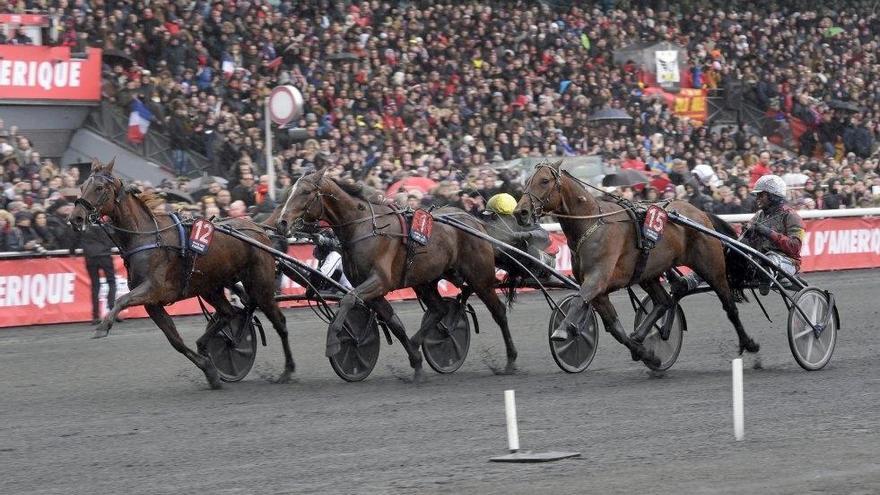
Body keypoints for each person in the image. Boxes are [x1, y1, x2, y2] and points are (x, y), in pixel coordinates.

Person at [672, 175, 804, 296]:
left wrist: (767, 232)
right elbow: (745, 242)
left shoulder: (791, 216)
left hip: (787, 262)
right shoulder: (759, 215)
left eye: (761, 195)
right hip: (759, 261)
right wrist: (746, 234)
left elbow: (795, 247)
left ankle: (766, 274)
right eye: (757, 195)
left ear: (773, 195)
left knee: (769, 258)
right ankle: (688, 282)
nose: (757, 199)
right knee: (721, 255)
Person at [481, 193, 556, 278]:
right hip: (522, 261)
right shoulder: (495, 224)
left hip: (546, 263)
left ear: (503, 215)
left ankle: (533, 274)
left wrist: (521, 235)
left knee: (524, 247)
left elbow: (544, 234)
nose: (491, 219)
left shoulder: (523, 220)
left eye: (494, 216)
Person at [80, 223, 121, 326]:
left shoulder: (83, 225)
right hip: (105, 256)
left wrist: (72, 251)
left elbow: (75, 238)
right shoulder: (105, 224)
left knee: (95, 286)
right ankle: (113, 311)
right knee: (111, 282)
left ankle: (95, 316)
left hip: (90, 257)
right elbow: (113, 236)